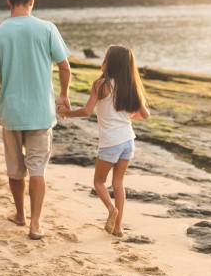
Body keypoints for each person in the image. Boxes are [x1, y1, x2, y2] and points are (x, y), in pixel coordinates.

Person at [0, 0, 71, 240]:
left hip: (11, 111)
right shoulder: (47, 29)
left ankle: (19, 214)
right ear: (33, 0)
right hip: (41, 112)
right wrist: (64, 95)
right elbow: (65, 67)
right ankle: (35, 224)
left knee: (15, 169)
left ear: (8, 0)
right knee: (37, 170)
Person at [57, 45, 150, 237]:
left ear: (111, 62)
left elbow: (86, 111)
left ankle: (111, 209)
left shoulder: (101, 85)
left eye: (106, 57)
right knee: (118, 183)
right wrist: (131, 116)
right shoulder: (130, 84)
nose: (103, 60)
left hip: (110, 142)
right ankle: (118, 228)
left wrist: (66, 113)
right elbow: (145, 114)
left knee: (99, 182)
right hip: (127, 140)